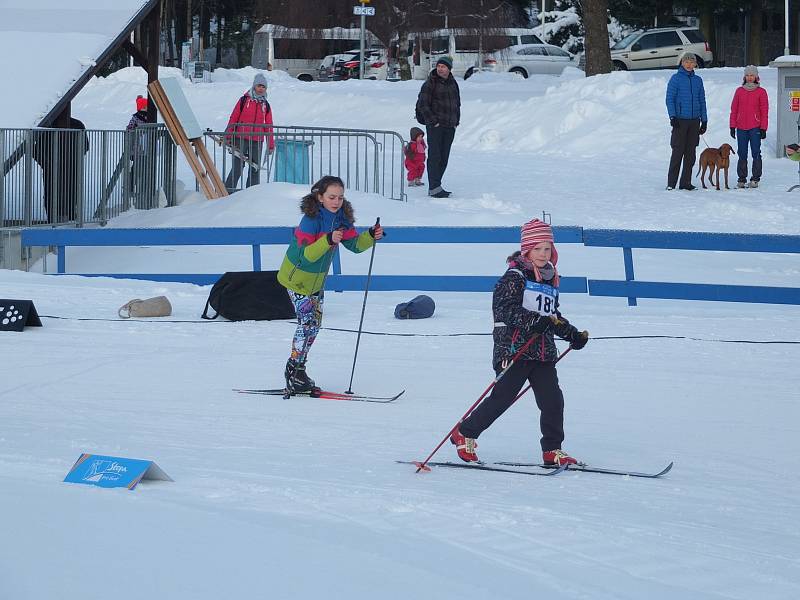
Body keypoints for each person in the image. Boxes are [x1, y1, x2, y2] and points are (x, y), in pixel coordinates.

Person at [450, 218, 589, 466]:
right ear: (527, 249)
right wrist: (533, 322)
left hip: (543, 351)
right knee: (502, 399)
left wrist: (572, 335)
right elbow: (504, 310)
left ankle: (552, 450)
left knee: (553, 401)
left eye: (547, 248)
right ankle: (465, 432)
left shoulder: (549, 278)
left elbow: (552, 317)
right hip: (514, 348)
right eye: (538, 249)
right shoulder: (514, 277)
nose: (543, 254)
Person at [276, 175, 385, 394]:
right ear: (320, 197)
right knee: (306, 324)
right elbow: (306, 256)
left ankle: (299, 369)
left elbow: (354, 245)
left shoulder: (342, 219)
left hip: (316, 282)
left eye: (340, 197)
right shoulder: (311, 220)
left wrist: (371, 236)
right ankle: (293, 369)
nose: (336, 201)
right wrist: (327, 240)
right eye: (332, 197)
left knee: (314, 327)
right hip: (296, 278)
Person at [415, 55, 460, 198]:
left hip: (450, 125)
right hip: (435, 126)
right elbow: (423, 104)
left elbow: (457, 103)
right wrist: (433, 121)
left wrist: (456, 121)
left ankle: (437, 185)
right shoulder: (430, 83)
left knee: (444, 157)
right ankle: (434, 187)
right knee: (435, 157)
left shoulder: (453, 83)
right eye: (439, 66)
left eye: (443, 67)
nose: (440, 69)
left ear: (449, 69)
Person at [224, 73, 275, 191]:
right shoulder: (243, 100)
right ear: (254, 86)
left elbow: (269, 125)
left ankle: (251, 194)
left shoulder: (265, 105)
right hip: (240, 138)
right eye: (259, 86)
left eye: (263, 87)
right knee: (238, 167)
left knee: (255, 168)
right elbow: (234, 118)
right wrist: (228, 135)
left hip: (257, 141)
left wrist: (270, 144)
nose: (261, 88)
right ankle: (227, 191)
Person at [32, 116, 88, 223]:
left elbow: (35, 149)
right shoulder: (77, 124)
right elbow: (85, 147)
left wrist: (46, 164)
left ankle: (53, 222)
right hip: (70, 168)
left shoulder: (45, 126)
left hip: (56, 169)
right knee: (70, 194)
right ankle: (69, 222)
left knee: (53, 195)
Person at [665, 54, 707, 191]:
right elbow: (669, 99)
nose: (689, 64)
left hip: (694, 121)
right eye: (686, 62)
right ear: (682, 63)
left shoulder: (698, 80)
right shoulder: (675, 79)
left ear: (695, 64)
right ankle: (671, 183)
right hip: (680, 121)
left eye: (691, 62)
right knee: (678, 152)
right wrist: (673, 117)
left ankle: (685, 183)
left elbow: (702, 101)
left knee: (690, 154)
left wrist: (704, 120)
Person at [729, 65, 769, 189]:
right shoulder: (739, 91)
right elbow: (734, 109)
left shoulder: (761, 92)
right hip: (741, 128)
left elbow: (764, 111)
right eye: (748, 75)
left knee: (756, 152)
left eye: (752, 75)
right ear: (744, 77)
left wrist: (763, 127)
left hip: (755, 127)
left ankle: (755, 178)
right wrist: (732, 126)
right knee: (742, 153)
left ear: (756, 77)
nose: (750, 77)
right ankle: (741, 178)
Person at [126, 95, 156, 208]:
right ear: (141, 107)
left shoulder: (150, 117)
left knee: (145, 168)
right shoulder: (136, 118)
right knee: (137, 167)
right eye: (145, 107)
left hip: (147, 148)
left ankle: (144, 186)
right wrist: (134, 132)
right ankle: (131, 186)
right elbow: (129, 128)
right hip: (137, 149)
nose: (146, 109)